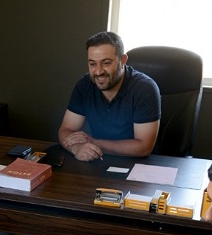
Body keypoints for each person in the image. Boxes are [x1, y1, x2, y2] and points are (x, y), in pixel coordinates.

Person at [58, 31, 161, 161]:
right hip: (99, 161)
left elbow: (144, 147)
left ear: (123, 60)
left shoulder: (144, 88)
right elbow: (66, 129)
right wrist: (77, 148)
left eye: (106, 63)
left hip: (140, 165)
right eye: (92, 64)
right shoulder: (84, 85)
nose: (98, 71)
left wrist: (94, 143)